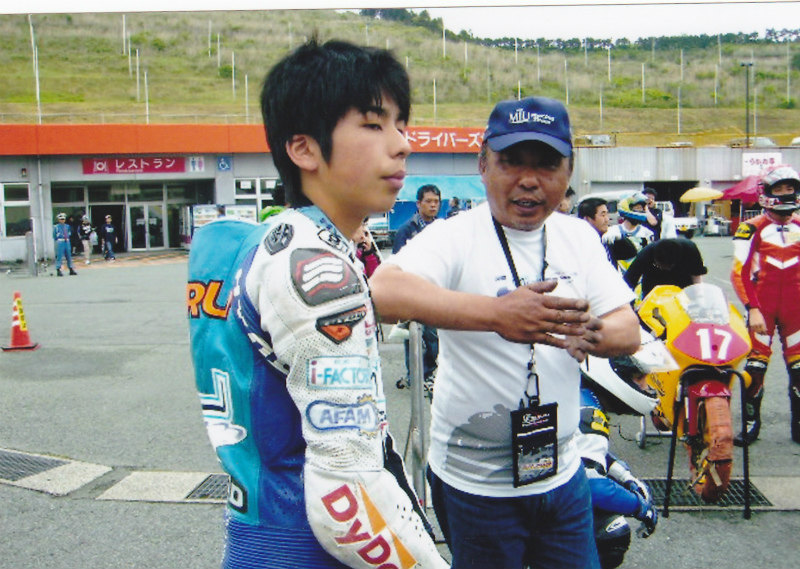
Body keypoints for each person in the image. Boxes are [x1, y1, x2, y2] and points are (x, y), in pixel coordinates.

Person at [191, 39, 447, 569]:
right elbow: (345, 490)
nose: (402, 144)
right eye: (374, 125)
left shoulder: (264, 242)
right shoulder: (314, 266)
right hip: (309, 545)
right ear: (304, 149)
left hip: (257, 527)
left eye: (402, 125)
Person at [370, 96, 640, 569]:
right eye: (512, 161)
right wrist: (497, 315)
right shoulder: (455, 235)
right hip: (474, 485)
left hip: (563, 474)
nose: (529, 180)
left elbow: (628, 329)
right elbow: (382, 291)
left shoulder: (578, 236)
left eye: (547, 165)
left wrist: (591, 334)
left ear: (569, 172)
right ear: (483, 165)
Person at [731, 164, 800, 445]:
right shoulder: (751, 228)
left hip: (796, 309)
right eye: (779, 188)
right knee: (755, 367)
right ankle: (750, 424)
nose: (785, 193)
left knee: (799, 368)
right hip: (763, 308)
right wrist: (753, 308)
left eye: (789, 188)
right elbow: (739, 273)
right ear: (767, 193)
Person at [578, 363, 659, 569]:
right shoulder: (590, 414)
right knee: (613, 531)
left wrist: (625, 476)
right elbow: (592, 487)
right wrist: (641, 507)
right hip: (533, 505)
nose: (646, 386)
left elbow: (578, 452)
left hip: (516, 493)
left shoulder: (580, 393)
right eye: (639, 378)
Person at [392, 184, 442, 386]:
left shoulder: (443, 229)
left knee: (433, 336)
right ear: (419, 203)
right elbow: (396, 263)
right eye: (429, 201)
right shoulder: (407, 230)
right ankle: (415, 375)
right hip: (412, 291)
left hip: (436, 290)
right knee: (413, 335)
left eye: (436, 201)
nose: (433, 205)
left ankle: (428, 372)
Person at [623, 238, 707, 299]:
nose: (667, 269)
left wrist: (699, 296)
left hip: (683, 290)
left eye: (669, 266)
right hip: (653, 292)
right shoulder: (646, 254)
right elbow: (629, 282)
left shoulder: (689, 249)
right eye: (661, 266)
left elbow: (696, 275)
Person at [602, 193, 655, 274]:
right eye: (637, 208)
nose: (641, 211)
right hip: (616, 275)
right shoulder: (612, 232)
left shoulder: (647, 234)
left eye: (642, 208)